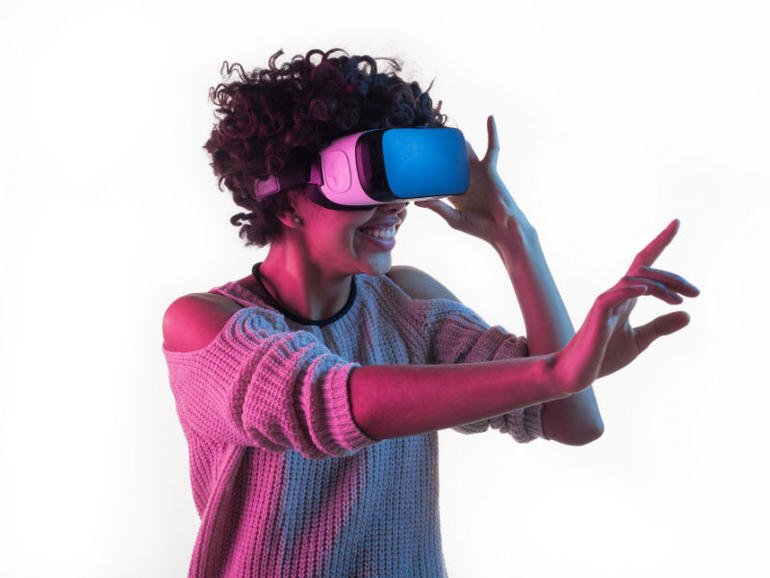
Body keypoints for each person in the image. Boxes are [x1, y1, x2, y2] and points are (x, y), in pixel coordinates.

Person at [161, 48, 699, 578]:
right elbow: (327, 402)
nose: (396, 207)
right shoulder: (203, 326)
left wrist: (515, 237)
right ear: (285, 203)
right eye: (370, 182)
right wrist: (559, 370)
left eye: (401, 185)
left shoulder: (406, 302)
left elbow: (571, 419)